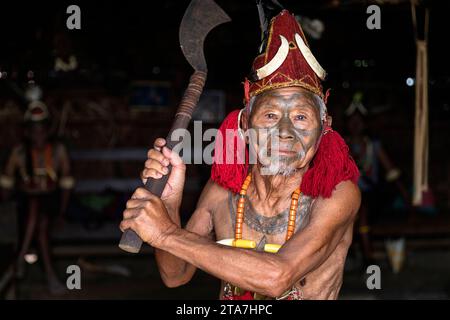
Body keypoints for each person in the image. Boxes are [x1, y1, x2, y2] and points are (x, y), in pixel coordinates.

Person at [120, 10, 361, 300]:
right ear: (245, 124)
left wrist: (164, 234)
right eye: (270, 115)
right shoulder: (222, 193)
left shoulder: (336, 195)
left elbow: (277, 277)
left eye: (300, 118)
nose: (284, 132)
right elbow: (175, 275)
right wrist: (169, 204)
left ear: (324, 127)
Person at [0, 101, 74, 294]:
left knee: (40, 215)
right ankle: (50, 277)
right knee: (37, 217)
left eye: (42, 130)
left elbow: (66, 185)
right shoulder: (19, 153)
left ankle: (19, 261)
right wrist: (19, 185)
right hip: (24, 206)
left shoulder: (58, 151)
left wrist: (62, 213)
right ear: (27, 132)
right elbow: (6, 189)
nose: (38, 135)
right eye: (34, 130)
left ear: (48, 130)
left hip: (51, 202)